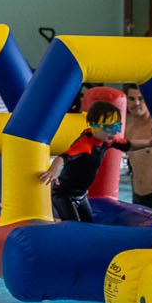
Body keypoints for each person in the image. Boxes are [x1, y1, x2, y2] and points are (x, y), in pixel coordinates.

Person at [41, 89, 123, 222]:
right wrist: (53, 170)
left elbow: (129, 144)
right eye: (109, 128)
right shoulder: (85, 145)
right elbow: (63, 157)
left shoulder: (106, 140)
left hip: (81, 195)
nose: (114, 132)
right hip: (63, 195)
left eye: (117, 126)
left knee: (89, 225)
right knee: (73, 225)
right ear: (94, 126)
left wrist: (150, 142)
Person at [122, 84, 152, 211]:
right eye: (132, 99)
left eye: (141, 98)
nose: (137, 103)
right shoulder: (127, 128)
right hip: (136, 196)